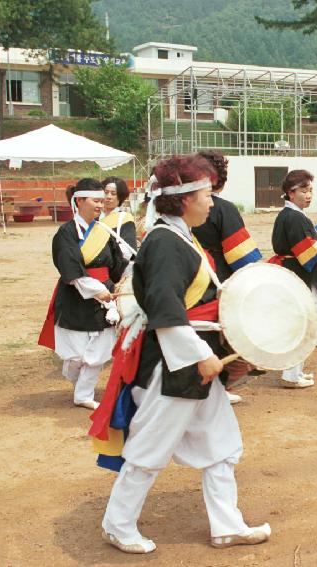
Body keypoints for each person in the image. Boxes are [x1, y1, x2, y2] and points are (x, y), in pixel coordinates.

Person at [92, 153, 270, 554]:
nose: (212, 201)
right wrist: (197, 355)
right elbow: (164, 308)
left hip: (191, 364)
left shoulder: (179, 237)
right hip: (172, 368)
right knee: (149, 449)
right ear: (185, 197)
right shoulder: (165, 242)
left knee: (221, 444)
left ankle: (226, 524)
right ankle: (117, 524)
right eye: (207, 193)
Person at [37, 179, 127, 409]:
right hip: (76, 295)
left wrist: (134, 265)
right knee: (75, 356)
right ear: (79, 201)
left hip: (104, 296)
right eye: (96, 200)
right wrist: (98, 291)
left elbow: (118, 267)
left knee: (99, 352)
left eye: (102, 200)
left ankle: (83, 395)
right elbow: (71, 270)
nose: (101, 203)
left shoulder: (104, 231)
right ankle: (80, 386)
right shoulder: (65, 233)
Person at [190, 151, 263, 403]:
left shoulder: (173, 208)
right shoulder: (222, 209)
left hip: (186, 285)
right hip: (217, 283)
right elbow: (242, 257)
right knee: (224, 341)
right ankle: (219, 387)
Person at [270, 169, 317, 388]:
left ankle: (294, 371)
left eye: (310, 190)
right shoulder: (294, 217)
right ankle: (291, 374)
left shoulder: (290, 215)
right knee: (303, 325)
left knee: (301, 324)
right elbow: (306, 252)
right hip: (300, 275)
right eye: (304, 191)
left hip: (294, 272)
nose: (309, 195)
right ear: (290, 193)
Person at [100, 176, 137, 261]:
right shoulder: (95, 218)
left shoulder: (125, 219)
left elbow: (128, 250)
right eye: (106, 192)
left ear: (120, 197)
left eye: (113, 193)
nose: (108, 196)